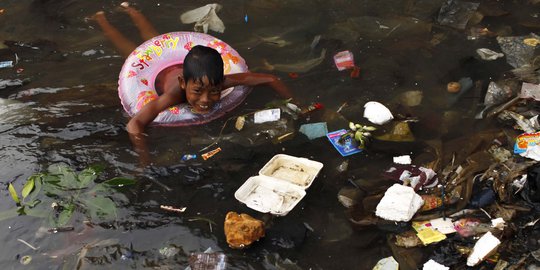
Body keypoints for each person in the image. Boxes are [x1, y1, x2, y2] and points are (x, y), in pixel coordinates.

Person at [91, 3, 300, 165]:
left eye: (214, 92)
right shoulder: (174, 93)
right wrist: (144, 161)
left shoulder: (220, 81)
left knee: (153, 39)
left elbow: (270, 79)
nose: (205, 99)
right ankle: (102, 18)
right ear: (184, 83)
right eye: (198, 92)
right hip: (158, 70)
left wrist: (295, 103)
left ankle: (131, 11)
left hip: (178, 64)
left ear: (221, 84)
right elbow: (134, 124)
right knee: (139, 48)